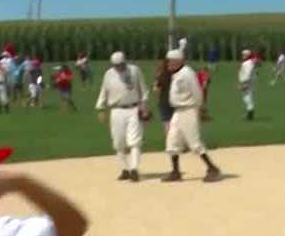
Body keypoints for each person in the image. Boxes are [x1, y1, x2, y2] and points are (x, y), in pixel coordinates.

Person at [162, 49, 222, 183]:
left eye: (170, 61)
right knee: (172, 141)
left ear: (178, 61)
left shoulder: (187, 73)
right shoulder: (176, 74)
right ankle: (175, 171)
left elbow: (197, 92)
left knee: (194, 142)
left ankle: (213, 169)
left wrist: (200, 109)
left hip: (188, 110)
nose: (168, 64)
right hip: (178, 112)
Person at [95, 52, 149, 182]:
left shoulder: (135, 70)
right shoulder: (108, 74)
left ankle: (134, 169)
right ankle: (124, 169)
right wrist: (101, 108)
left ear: (125, 62)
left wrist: (144, 104)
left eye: (120, 65)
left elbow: (144, 89)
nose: (118, 67)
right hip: (116, 110)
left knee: (134, 140)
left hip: (134, 109)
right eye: (116, 65)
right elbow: (104, 91)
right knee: (118, 142)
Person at [154, 59, 174, 139]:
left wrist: (156, 79)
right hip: (175, 101)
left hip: (164, 102)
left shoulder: (161, 76)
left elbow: (156, 90)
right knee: (176, 124)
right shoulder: (175, 74)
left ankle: (169, 142)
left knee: (167, 123)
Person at [237, 49, 257, 121]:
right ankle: (249, 113)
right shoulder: (248, 62)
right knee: (246, 97)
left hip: (247, 82)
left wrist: (244, 84)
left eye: (244, 54)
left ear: (247, 55)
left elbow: (248, 74)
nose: (242, 56)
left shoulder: (248, 63)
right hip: (247, 82)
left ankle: (250, 114)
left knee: (247, 97)